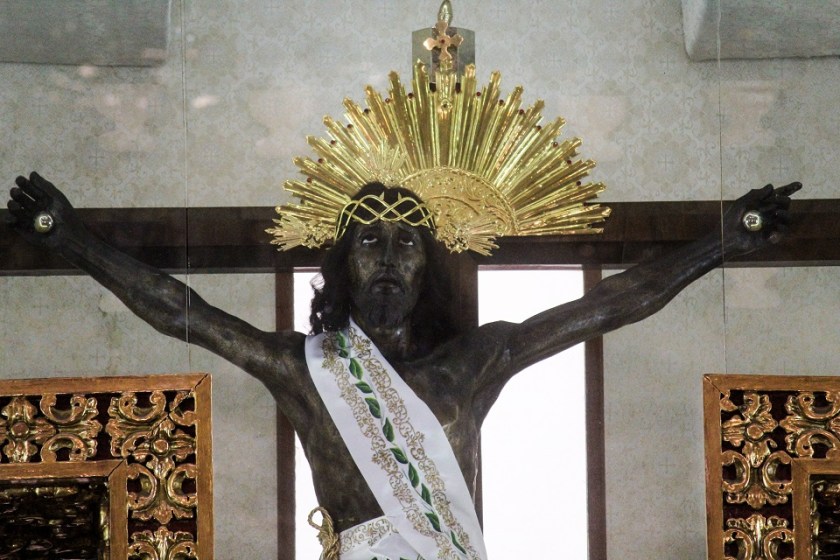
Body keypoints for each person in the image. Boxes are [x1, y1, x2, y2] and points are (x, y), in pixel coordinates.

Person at [7, 172, 800, 559]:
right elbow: (180, 311)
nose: (387, 257)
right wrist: (71, 238)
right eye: (369, 240)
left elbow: (613, 303)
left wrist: (722, 241)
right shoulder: (303, 368)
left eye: (407, 242)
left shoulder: (475, 361)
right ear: (342, 262)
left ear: (429, 266)